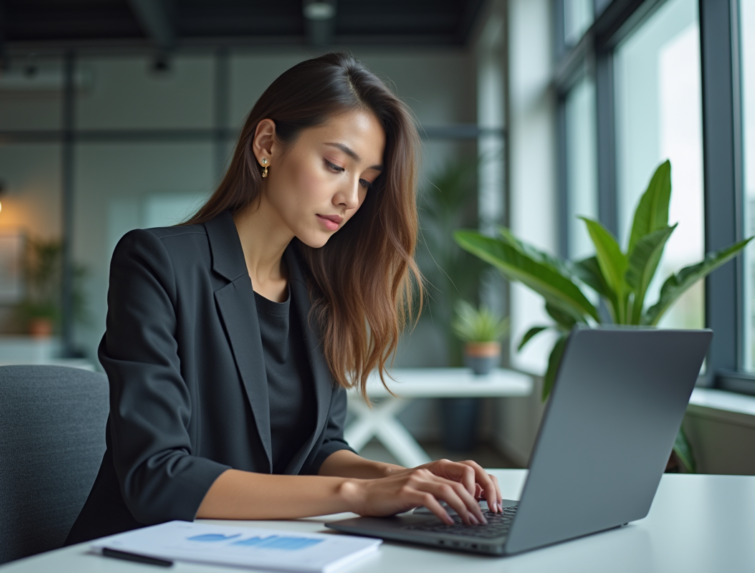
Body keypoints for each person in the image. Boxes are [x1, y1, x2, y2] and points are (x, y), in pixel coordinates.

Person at [65, 52, 502, 545]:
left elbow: (319, 450)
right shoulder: (157, 263)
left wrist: (402, 477)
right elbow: (158, 476)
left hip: (256, 548)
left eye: (366, 181)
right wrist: (356, 495)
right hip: (143, 549)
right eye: (336, 165)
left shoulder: (320, 291)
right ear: (268, 143)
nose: (351, 198)